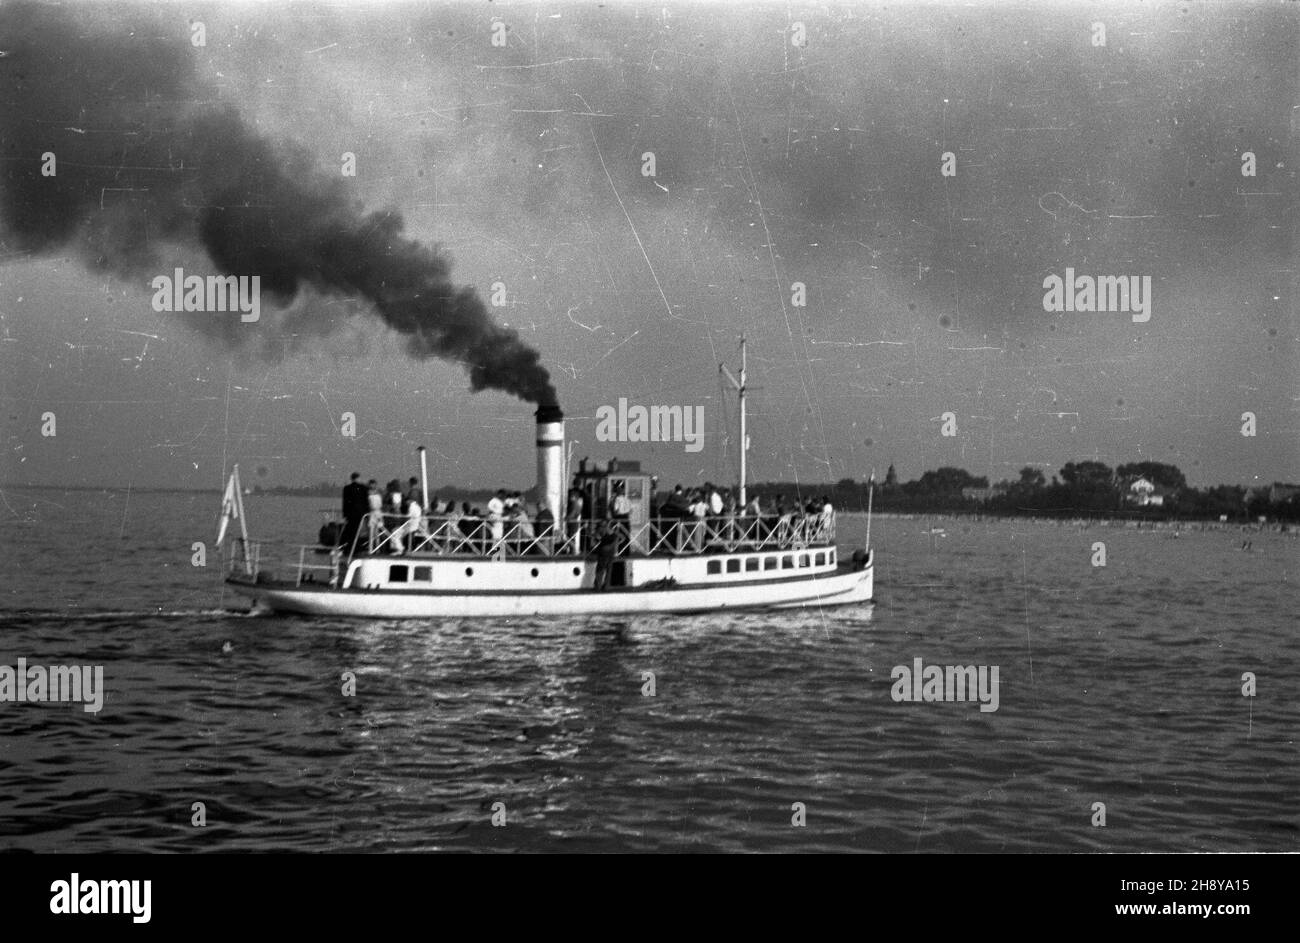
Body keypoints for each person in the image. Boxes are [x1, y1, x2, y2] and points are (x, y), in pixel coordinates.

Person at [340, 472, 368, 548]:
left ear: (351, 479)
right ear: (358, 478)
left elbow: (345, 503)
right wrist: (366, 513)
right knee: (357, 530)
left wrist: (344, 515)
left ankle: (350, 545)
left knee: (350, 530)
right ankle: (356, 546)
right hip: (360, 513)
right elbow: (366, 502)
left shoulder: (346, 488)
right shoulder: (363, 488)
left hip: (350, 513)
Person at [590, 521, 618, 591]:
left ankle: (598, 587)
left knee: (600, 570)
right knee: (608, 570)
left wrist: (595, 536)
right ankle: (606, 586)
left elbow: (598, 538)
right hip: (611, 553)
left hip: (604, 553)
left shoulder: (603, 531)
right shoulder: (614, 534)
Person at [487, 489, 506, 555]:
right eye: (503, 495)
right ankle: (493, 550)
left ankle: (497, 550)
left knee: (499, 534)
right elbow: (490, 510)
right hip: (495, 518)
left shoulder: (501, 502)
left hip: (499, 519)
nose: (503, 496)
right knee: (495, 534)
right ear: (499, 494)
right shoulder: (493, 501)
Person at [565, 488, 584, 554]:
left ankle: (573, 550)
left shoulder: (574, 504)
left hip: (573, 523)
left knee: (570, 537)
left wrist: (565, 519)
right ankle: (572, 550)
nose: (569, 497)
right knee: (571, 537)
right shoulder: (578, 503)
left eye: (571, 495)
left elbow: (572, 513)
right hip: (574, 522)